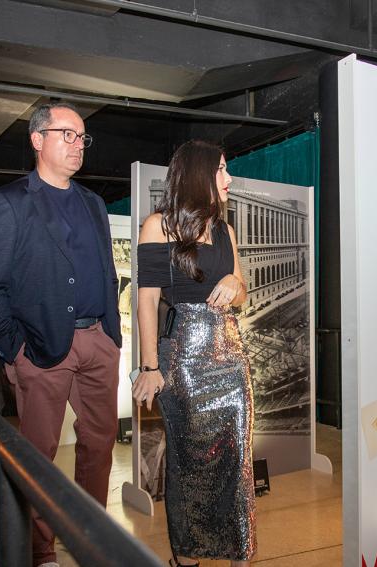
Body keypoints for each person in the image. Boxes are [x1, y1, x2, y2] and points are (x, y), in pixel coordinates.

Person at [0, 102, 121, 567]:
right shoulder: (8, 201)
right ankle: (42, 552)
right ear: (37, 139)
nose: (78, 145)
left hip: (98, 340)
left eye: (82, 138)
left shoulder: (93, 203)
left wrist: (113, 335)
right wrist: (15, 349)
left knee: (99, 444)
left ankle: (90, 535)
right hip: (40, 347)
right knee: (39, 454)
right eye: (67, 135)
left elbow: (104, 268)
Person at [134, 140, 255, 567]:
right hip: (182, 360)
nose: (229, 178)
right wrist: (149, 366)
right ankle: (185, 559)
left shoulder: (226, 230)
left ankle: (241, 556)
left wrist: (234, 286)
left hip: (230, 358)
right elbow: (146, 301)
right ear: (200, 173)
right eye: (222, 169)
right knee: (187, 466)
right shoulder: (158, 227)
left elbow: (241, 291)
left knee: (237, 465)